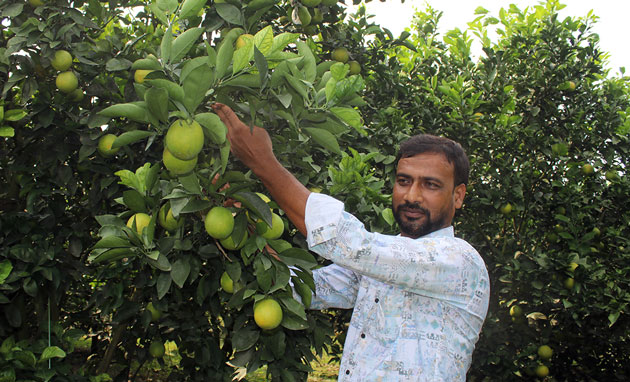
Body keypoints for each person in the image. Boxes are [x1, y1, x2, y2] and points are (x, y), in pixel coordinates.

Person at [212, 103, 490, 382]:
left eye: (431, 185)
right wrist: (241, 226)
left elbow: (350, 244)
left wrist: (263, 162)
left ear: (458, 196)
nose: (412, 196)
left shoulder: (459, 261)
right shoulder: (383, 266)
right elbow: (304, 288)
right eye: (404, 181)